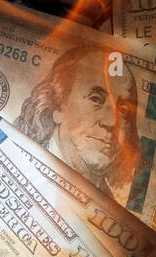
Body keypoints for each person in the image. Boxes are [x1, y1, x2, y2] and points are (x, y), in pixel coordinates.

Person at [15, 45, 138, 197]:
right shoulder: (20, 170)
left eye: (123, 110)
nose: (112, 121)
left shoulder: (111, 201)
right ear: (58, 104)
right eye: (95, 99)